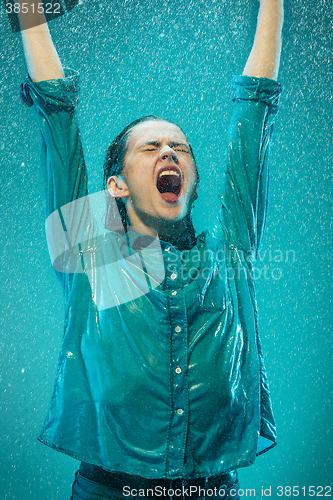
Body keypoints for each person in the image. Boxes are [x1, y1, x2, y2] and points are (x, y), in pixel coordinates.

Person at [17, 0, 284, 498]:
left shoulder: (226, 256)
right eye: (150, 147)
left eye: (180, 148)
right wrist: (29, 12)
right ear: (115, 185)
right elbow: (56, 115)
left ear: (195, 185)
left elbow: (255, 111)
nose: (168, 152)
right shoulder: (95, 256)